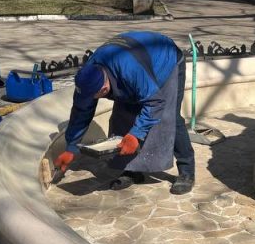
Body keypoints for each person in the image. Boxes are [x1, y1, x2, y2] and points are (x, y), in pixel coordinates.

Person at [56, 32, 195, 195]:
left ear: (104, 89)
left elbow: (155, 102)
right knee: (122, 117)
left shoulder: (130, 71)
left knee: (169, 117)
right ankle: (132, 170)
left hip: (165, 59)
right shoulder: (87, 78)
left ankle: (187, 172)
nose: (89, 100)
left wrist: (135, 135)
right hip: (134, 63)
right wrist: (71, 147)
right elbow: (81, 111)